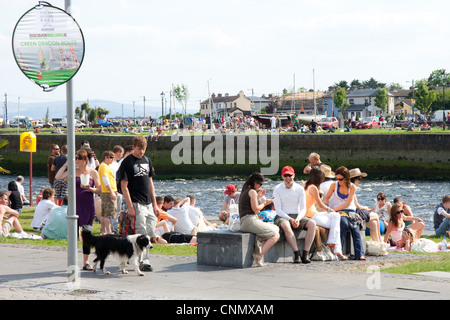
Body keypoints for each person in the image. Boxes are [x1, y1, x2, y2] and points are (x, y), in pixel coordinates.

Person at [118, 135, 159, 272]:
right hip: (136, 202)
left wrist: (154, 204)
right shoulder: (127, 162)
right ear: (134, 147)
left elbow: (150, 183)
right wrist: (130, 207)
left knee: (151, 231)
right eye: (139, 149)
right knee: (141, 233)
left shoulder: (147, 160)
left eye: (144, 149)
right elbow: (124, 186)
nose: (142, 152)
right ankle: (143, 262)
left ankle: (132, 255)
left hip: (148, 202)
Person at [56, 149, 101, 271]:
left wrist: (90, 188)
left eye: (79, 158)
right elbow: (58, 176)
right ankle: (72, 261)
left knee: (87, 234)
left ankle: (86, 262)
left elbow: (100, 190)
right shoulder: (72, 171)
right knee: (73, 235)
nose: (76, 160)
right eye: (75, 158)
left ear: (86, 159)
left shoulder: (93, 172)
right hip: (74, 205)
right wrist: (66, 164)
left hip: (87, 205)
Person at [273, 166, 316, 264]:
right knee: (285, 225)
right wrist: (290, 219)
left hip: (297, 215)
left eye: (290, 175)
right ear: (282, 177)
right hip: (282, 216)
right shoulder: (277, 189)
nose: (288, 178)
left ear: (294, 175)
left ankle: (305, 254)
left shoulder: (300, 188)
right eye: (285, 175)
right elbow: (278, 210)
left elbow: (303, 208)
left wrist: (297, 219)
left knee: (312, 224)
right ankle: (296, 254)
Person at [304, 166, 346, 260]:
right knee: (335, 223)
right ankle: (336, 250)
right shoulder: (313, 188)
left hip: (312, 213)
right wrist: (332, 210)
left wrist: (332, 212)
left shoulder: (305, 185)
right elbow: (321, 205)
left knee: (335, 218)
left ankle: (334, 246)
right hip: (311, 215)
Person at [324, 166, 365, 260]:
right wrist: (327, 206)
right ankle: (339, 252)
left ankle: (360, 254)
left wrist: (334, 210)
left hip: (349, 210)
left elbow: (347, 204)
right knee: (343, 224)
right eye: (337, 178)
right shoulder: (334, 185)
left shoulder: (352, 187)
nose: (338, 181)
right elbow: (326, 198)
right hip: (338, 211)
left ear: (346, 178)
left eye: (340, 179)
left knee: (355, 228)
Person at [239, 172, 279, 267]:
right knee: (275, 235)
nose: (260, 186)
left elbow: (251, 205)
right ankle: (258, 256)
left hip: (247, 221)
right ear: (255, 183)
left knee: (276, 228)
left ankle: (259, 246)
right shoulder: (252, 191)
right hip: (249, 221)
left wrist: (259, 196)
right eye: (260, 184)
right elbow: (256, 209)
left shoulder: (246, 190)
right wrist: (265, 203)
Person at [349, 168, 382, 242]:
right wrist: (365, 208)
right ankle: (380, 241)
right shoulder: (352, 188)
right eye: (359, 179)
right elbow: (356, 205)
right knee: (376, 216)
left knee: (373, 224)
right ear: (356, 179)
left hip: (353, 211)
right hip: (354, 213)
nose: (359, 181)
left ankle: (377, 242)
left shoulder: (349, 187)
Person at [98, 150, 118, 235]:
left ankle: (104, 231)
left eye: (113, 157)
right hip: (107, 192)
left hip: (105, 192)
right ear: (106, 157)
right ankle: (108, 231)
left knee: (104, 212)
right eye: (111, 157)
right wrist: (111, 192)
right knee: (108, 214)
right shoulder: (104, 167)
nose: (112, 159)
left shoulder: (104, 166)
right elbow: (105, 180)